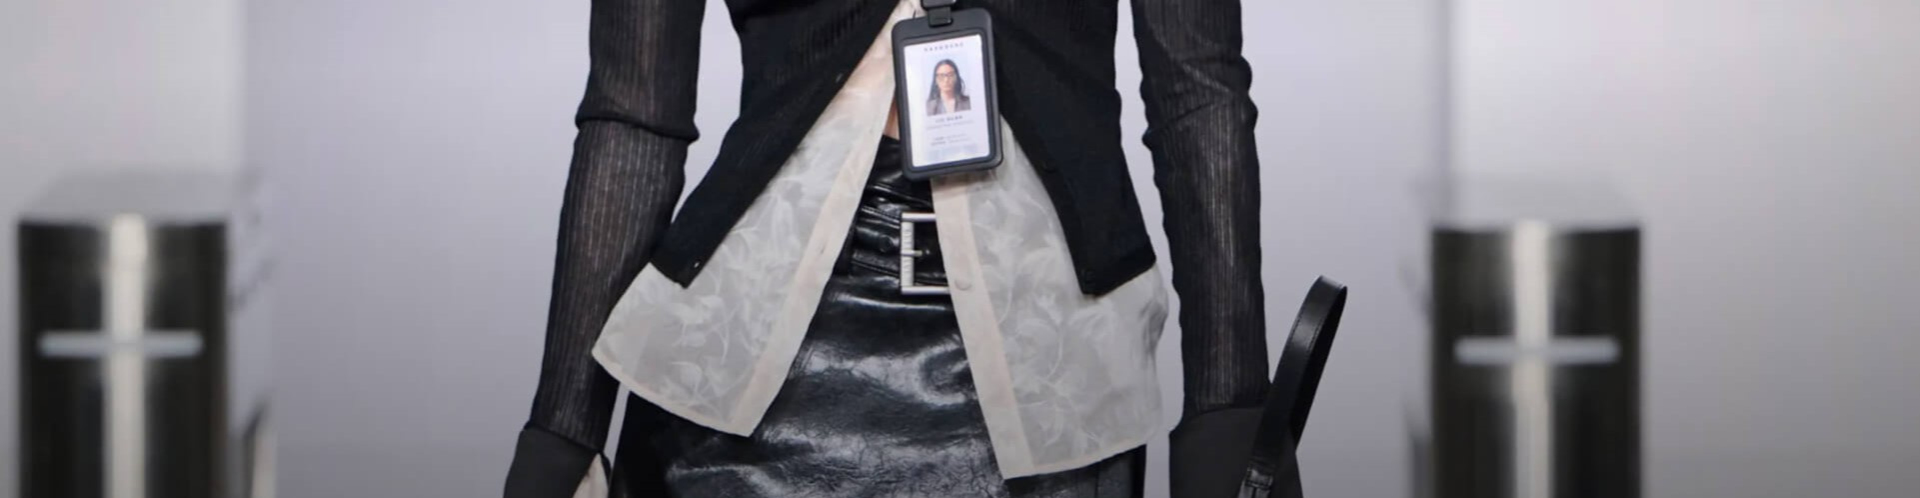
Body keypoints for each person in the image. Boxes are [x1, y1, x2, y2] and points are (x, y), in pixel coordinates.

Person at [503, 0, 1270, 494]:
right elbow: (633, 112)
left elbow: (1198, 95)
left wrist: (1229, 409)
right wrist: (563, 433)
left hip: (1050, 374)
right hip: (736, 371)